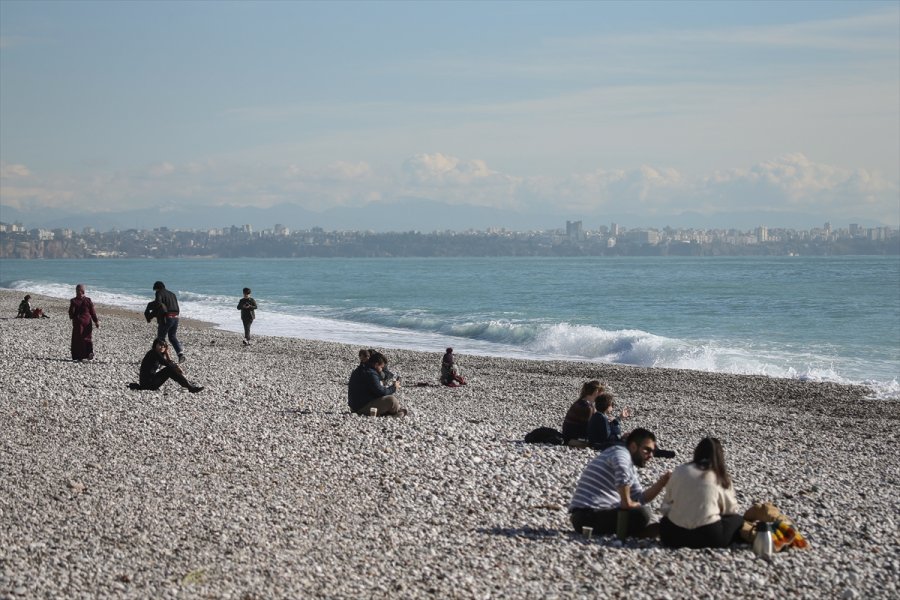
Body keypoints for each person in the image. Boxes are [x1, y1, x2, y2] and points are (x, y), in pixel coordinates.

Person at [569, 428, 671, 537]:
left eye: (652, 451)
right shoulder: (621, 453)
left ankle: (637, 532)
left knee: (643, 511)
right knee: (642, 514)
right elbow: (621, 470)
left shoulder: (629, 465)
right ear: (633, 446)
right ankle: (638, 533)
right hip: (586, 516)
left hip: (593, 515)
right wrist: (627, 502)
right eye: (647, 450)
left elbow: (640, 498)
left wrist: (661, 483)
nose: (651, 455)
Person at [659, 437, 743, 549]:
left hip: (674, 536)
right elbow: (731, 510)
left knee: (665, 521)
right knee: (738, 520)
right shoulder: (720, 476)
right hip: (709, 536)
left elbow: (666, 506)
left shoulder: (680, 470)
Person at [129, 339, 203, 393]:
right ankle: (189, 387)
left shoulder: (157, 354)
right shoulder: (153, 352)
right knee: (169, 370)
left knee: (170, 369)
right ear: (155, 345)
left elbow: (168, 362)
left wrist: (167, 354)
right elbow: (166, 363)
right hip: (148, 384)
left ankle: (188, 385)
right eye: (160, 345)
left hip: (149, 383)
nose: (162, 347)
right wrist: (176, 367)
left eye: (164, 346)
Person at [348, 351, 406, 417]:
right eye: (381, 367)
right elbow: (381, 392)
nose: (381, 370)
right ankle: (395, 413)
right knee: (392, 400)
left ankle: (392, 412)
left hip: (355, 406)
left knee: (386, 397)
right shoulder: (370, 373)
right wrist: (394, 387)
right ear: (376, 364)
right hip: (360, 408)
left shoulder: (361, 369)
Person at [561, 380, 603, 446]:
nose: (602, 395)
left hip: (567, 434)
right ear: (596, 392)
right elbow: (588, 428)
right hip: (573, 438)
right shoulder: (587, 407)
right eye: (601, 392)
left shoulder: (582, 402)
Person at [152, 281, 185, 363]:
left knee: (161, 338)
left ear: (157, 288)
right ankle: (180, 354)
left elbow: (158, 304)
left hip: (167, 317)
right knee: (172, 337)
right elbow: (177, 307)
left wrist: (153, 313)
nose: (155, 291)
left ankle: (159, 358)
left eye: (155, 289)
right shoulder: (172, 294)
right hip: (176, 317)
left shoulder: (159, 292)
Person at [68, 284, 100, 361]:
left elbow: (71, 313)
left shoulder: (74, 301)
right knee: (87, 337)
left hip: (78, 322)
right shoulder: (88, 300)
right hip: (87, 322)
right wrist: (96, 321)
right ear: (83, 291)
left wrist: (72, 316)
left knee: (77, 339)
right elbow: (93, 312)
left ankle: (79, 356)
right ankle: (89, 353)